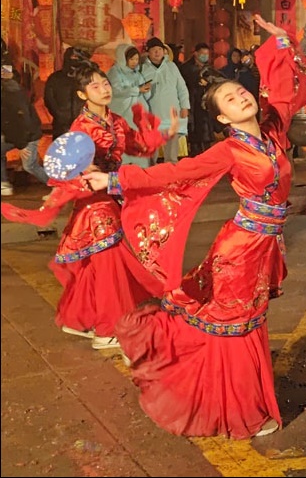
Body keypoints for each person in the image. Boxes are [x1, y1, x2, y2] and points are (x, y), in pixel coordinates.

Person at [81, 14, 306, 439]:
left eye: (240, 91)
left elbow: (291, 88)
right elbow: (173, 173)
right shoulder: (229, 150)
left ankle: (245, 400)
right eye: (229, 99)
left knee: (248, 324)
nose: (241, 97)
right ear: (224, 119)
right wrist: (114, 180)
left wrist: (283, 41)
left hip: (263, 245)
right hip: (241, 248)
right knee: (236, 326)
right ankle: (239, 410)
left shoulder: (272, 131)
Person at [2, 62, 176, 348]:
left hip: (111, 194)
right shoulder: (81, 128)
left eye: (104, 83)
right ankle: (107, 329)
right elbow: (75, 168)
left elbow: (138, 145)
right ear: (83, 95)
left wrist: (164, 132)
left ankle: (78, 319)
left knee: (98, 268)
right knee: (111, 267)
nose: (104, 89)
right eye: (95, 86)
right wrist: (84, 176)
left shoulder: (115, 120)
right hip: (96, 206)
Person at [141, 37, 190, 163]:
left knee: (172, 149)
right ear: (148, 52)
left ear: (164, 51)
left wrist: (185, 107)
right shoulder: (142, 68)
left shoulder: (171, 66)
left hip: (171, 112)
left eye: (159, 49)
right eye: (153, 50)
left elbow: (182, 87)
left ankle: (171, 173)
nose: (157, 52)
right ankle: (150, 174)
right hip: (152, 113)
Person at [2, 61, 49, 193]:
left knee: (29, 165)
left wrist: (22, 144)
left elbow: (22, 120)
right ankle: (3, 183)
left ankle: (57, 184)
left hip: (27, 134)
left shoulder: (11, 92)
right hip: (17, 134)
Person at [108, 44, 153, 167]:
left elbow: (145, 95)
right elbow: (116, 91)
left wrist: (146, 89)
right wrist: (137, 90)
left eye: (136, 59)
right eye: (131, 59)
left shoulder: (137, 74)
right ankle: (119, 177)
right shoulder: (114, 72)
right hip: (123, 114)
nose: (134, 62)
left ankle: (140, 176)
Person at [44, 46, 91, 140]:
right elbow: (49, 99)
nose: (74, 61)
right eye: (72, 57)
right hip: (61, 125)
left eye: (77, 58)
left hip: (84, 124)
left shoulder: (87, 78)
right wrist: (59, 115)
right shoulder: (56, 78)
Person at [179, 43, 217, 156]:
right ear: (195, 53)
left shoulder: (208, 68)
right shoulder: (186, 68)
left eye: (206, 54)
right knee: (194, 134)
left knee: (206, 134)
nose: (205, 56)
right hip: (192, 103)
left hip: (205, 104)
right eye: (202, 53)